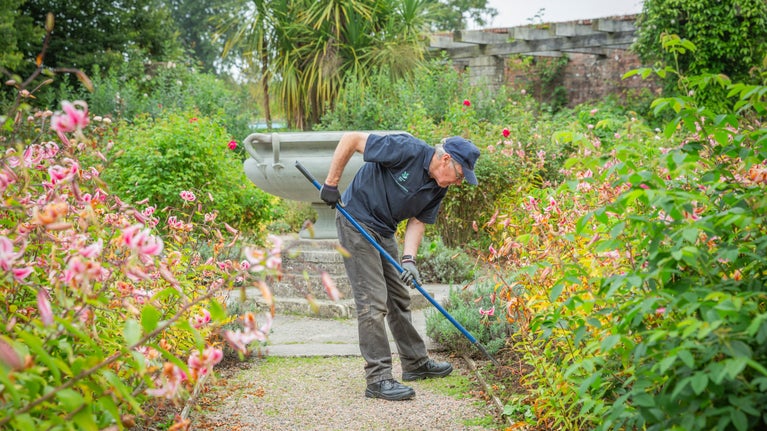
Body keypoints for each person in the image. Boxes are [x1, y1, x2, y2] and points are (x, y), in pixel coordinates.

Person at [319, 131, 481, 401]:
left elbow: (418, 221)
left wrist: (409, 260)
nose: (460, 182)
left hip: (384, 230)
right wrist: (331, 184)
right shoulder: (406, 149)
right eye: (461, 175)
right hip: (356, 221)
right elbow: (351, 139)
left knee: (399, 298)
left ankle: (415, 363)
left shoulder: (439, 187)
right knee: (373, 303)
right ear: (446, 159)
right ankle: (378, 378)